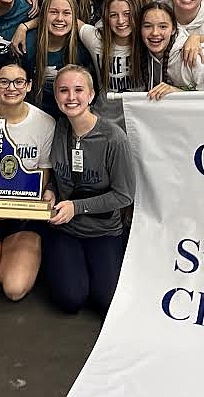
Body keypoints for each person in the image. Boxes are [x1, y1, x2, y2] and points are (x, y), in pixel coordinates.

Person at [43, 65, 134, 314]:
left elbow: (124, 195)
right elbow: (56, 174)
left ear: (92, 95)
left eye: (78, 90)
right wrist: (50, 190)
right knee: (71, 299)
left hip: (104, 231)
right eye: (64, 91)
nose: (71, 97)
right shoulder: (58, 129)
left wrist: (77, 207)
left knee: (106, 301)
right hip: (64, 229)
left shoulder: (113, 138)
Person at [0, 57, 54, 301]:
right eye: (4, 82)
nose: (11, 88)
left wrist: (23, 204)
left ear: (28, 85)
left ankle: (25, 252)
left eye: (18, 82)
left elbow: (44, 172)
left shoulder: (46, 123)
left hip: (25, 211)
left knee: (14, 289)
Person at [77, 0, 144, 130]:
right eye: (114, 15)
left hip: (138, 125)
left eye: (127, 14)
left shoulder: (148, 40)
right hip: (103, 122)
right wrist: (24, 27)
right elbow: (65, 16)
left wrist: (196, 38)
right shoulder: (96, 39)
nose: (121, 21)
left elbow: (173, 30)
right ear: (106, 18)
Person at [136, 1, 204, 100]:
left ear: (174, 29)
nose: (155, 33)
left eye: (163, 27)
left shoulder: (194, 56)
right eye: (147, 26)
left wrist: (177, 93)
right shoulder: (143, 54)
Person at [19, 0, 93, 118]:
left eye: (66, 13)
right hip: (33, 113)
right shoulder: (28, 42)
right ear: (43, 15)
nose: (59, 18)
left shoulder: (82, 46)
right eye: (53, 12)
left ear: (74, 18)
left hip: (71, 114)